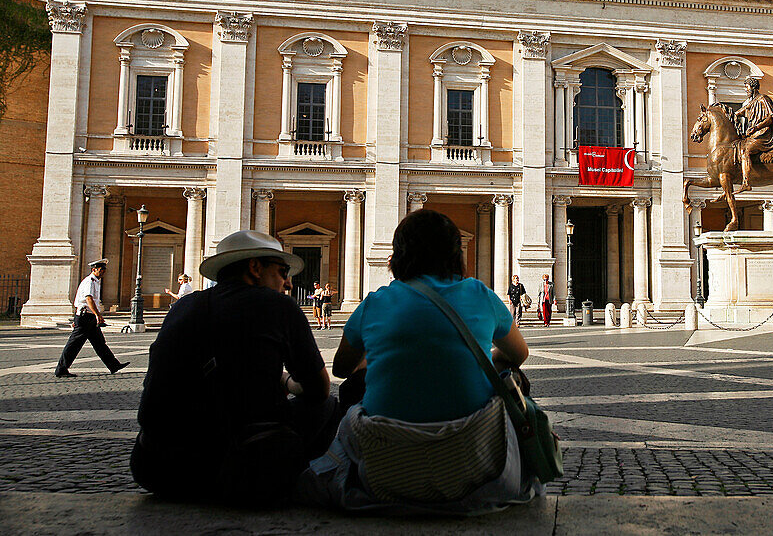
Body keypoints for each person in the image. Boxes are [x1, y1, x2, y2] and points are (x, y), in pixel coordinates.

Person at [299, 209, 540, 513]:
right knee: (511, 376)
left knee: (355, 384)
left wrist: (378, 360)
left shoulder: (375, 302)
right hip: (475, 469)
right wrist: (485, 359)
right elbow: (518, 355)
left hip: (383, 473)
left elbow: (342, 368)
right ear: (456, 254)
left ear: (398, 256)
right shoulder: (480, 294)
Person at [131, 230, 338, 505]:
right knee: (329, 406)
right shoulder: (279, 306)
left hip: (157, 468)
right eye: (282, 271)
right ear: (255, 267)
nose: (288, 283)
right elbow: (318, 389)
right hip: (242, 470)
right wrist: (286, 381)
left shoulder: (184, 306)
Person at [55, 259, 129, 377]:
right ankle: (61, 369)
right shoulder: (89, 281)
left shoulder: (95, 282)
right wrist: (97, 315)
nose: (103, 272)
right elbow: (88, 299)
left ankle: (113, 365)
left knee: (100, 343)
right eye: (101, 270)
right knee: (74, 344)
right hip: (85, 317)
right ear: (94, 269)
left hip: (89, 317)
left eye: (104, 270)